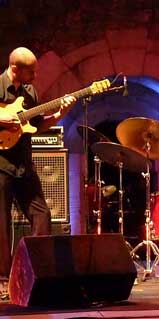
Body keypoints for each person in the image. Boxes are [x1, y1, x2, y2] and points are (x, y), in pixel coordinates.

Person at [0, 47, 76, 294]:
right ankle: (3, 280)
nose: (35, 75)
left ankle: (34, 270)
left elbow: (37, 125)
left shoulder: (30, 92)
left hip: (23, 164)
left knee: (42, 214)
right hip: (1, 165)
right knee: (1, 225)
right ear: (15, 69)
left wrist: (60, 112)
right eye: (30, 71)